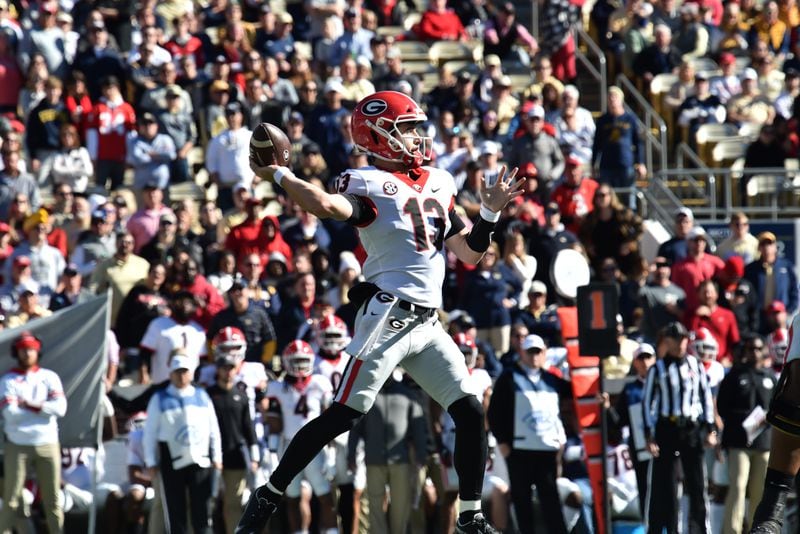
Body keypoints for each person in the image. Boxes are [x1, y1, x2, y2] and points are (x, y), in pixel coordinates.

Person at [237, 90, 522, 534]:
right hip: (387, 317)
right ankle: (270, 494)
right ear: (379, 135)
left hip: (428, 322)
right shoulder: (363, 181)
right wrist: (280, 174)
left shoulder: (440, 180)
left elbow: (468, 253)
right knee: (346, 413)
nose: (415, 136)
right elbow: (326, 206)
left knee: (469, 411)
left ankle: (470, 514)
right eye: (406, 127)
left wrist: (488, 213)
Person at [487, 333, 570, 534]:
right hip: (519, 452)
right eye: (530, 351)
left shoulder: (552, 379)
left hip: (546, 452)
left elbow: (570, 401)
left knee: (551, 502)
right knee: (522, 503)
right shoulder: (508, 377)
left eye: (538, 352)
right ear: (521, 353)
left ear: (544, 354)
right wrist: (504, 443)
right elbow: (494, 412)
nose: (534, 356)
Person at [643, 321, 717, 534]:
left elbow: (706, 397)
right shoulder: (657, 368)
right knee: (666, 485)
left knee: (697, 484)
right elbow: (648, 403)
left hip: (691, 430)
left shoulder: (696, 365)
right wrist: (649, 436)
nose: (681, 343)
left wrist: (711, 429)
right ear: (667, 341)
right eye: (676, 339)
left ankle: (700, 530)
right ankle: (670, 529)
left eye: (684, 339)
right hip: (668, 429)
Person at [143, 352, 222, 534]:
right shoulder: (159, 399)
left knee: (202, 511)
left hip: (200, 460)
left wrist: (217, 456)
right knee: (175, 511)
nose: (181, 375)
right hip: (171, 460)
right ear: (170, 374)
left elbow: (213, 430)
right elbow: (150, 434)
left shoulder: (202, 396)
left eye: (185, 371)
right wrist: (151, 461)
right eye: (177, 371)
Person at [0, 332, 67, 534]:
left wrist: (29, 405)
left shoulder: (49, 377)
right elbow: (10, 414)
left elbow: (61, 408)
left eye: (31, 349)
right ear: (16, 352)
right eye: (23, 349)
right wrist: (44, 409)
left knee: (53, 500)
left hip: (48, 444)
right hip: (17, 445)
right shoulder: (7, 380)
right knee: (11, 499)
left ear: (38, 351)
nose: (27, 353)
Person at [718, 334, 775, 534]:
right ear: (744, 351)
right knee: (738, 487)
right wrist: (744, 419)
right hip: (738, 442)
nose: (754, 353)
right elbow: (722, 408)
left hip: (764, 443)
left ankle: (756, 529)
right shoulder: (734, 376)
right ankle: (732, 530)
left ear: (764, 351)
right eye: (750, 349)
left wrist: (767, 418)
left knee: (760, 492)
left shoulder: (769, 377)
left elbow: (778, 408)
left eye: (758, 349)